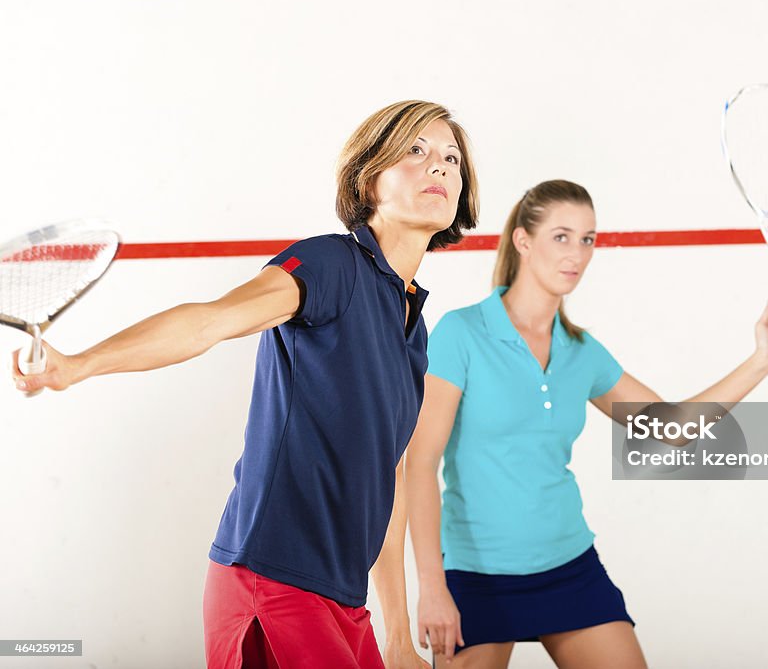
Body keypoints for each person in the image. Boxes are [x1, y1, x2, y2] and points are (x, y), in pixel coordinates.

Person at [11, 100, 480, 669]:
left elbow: (390, 476)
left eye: (451, 158)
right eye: (415, 150)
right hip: (272, 585)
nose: (439, 167)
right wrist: (79, 364)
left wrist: (397, 636)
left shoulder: (413, 325)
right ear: (368, 177)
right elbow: (211, 320)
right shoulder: (330, 265)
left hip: (343, 601)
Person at [405, 179, 768, 669]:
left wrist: (762, 360)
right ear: (524, 241)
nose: (577, 254)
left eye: (588, 239)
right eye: (562, 236)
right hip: (476, 576)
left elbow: (672, 428)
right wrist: (432, 588)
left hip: (568, 566)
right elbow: (419, 466)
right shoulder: (462, 334)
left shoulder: (581, 352)